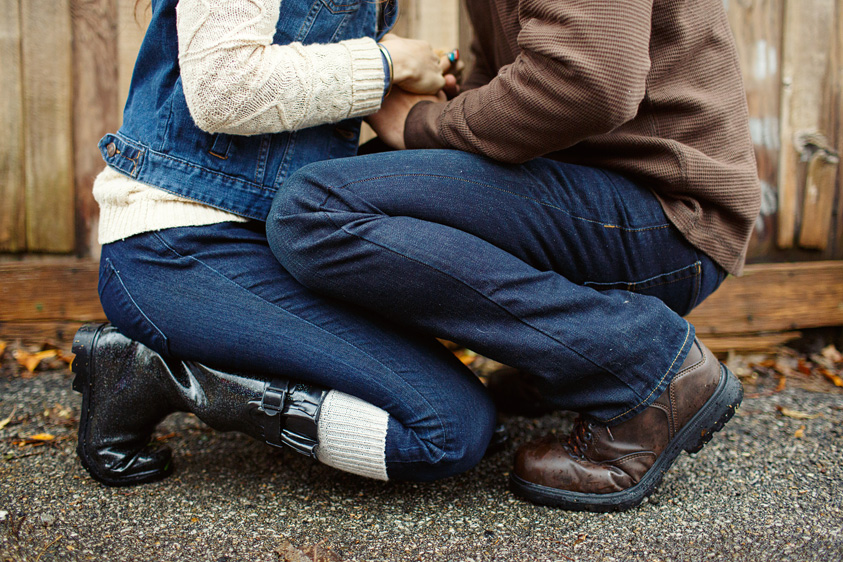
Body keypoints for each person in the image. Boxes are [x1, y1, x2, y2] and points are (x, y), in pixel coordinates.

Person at [266, 0, 761, 511]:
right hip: (608, 192)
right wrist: (451, 99)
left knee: (316, 211)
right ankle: (566, 362)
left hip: (667, 213)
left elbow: (589, 82)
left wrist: (419, 123)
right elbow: (507, 69)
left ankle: (643, 364)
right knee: (358, 184)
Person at [72, 0, 499, 487]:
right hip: (176, 243)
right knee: (446, 433)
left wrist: (403, 97)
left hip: (287, 243)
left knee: (473, 418)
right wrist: (387, 62)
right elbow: (222, 88)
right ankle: (155, 374)